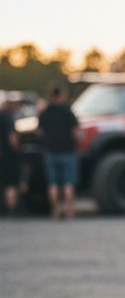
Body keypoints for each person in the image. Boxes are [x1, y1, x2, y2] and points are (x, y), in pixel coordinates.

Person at [38, 85, 80, 220]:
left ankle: (55, 211)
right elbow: (76, 131)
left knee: (53, 183)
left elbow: (39, 132)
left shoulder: (44, 112)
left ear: (50, 95)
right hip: (68, 150)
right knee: (68, 182)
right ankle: (70, 211)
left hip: (50, 151)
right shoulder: (67, 111)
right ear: (61, 95)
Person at [0, 99, 20, 215]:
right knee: (10, 184)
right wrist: (17, 150)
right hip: (7, 155)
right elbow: (12, 137)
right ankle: (10, 210)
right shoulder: (8, 118)